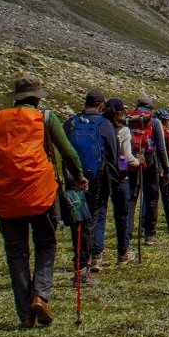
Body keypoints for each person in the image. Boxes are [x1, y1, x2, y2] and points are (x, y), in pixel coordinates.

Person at [0, 75, 86, 328]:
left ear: (16, 98)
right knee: (45, 244)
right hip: (39, 191)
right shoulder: (44, 118)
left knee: (16, 253)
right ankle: (40, 295)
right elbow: (68, 152)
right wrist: (80, 177)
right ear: (37, 97)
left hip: (5, 196)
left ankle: (25, 315)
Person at [65, 90, 116, 281]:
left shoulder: (70, 123)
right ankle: (91, 261)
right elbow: (113, 153)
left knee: (77, 222)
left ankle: (80, 263)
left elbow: (64, 151)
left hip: (73, 181)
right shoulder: (104, 125)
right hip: (97, 181)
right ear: (102, 106)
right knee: (93, 219)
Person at [93, 99, 137, 268]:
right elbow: (126, 155)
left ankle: (96, 257)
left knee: (100, 215)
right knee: (121, 215)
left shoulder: (100, 127)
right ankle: (122, 253)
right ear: (120, 112)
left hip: (101, 175)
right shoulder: (123, 130)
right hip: (120, 176)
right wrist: (138, 162)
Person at [127, 96, 169, 246]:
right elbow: (161, 148)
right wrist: (166, 169)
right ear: (151, 108)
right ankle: (150, 235)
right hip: (150, 164)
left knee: (131, 198)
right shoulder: (155, 122)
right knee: (151, 198)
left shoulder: (128, 119)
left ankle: (127, 234)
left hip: (132, 163)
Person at [153, 109, 169, 234]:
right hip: (167, 167)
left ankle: (145, 224)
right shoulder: (168, 133)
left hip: (152, 167)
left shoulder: (150, 131)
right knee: (167, 196)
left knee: (150, 198)